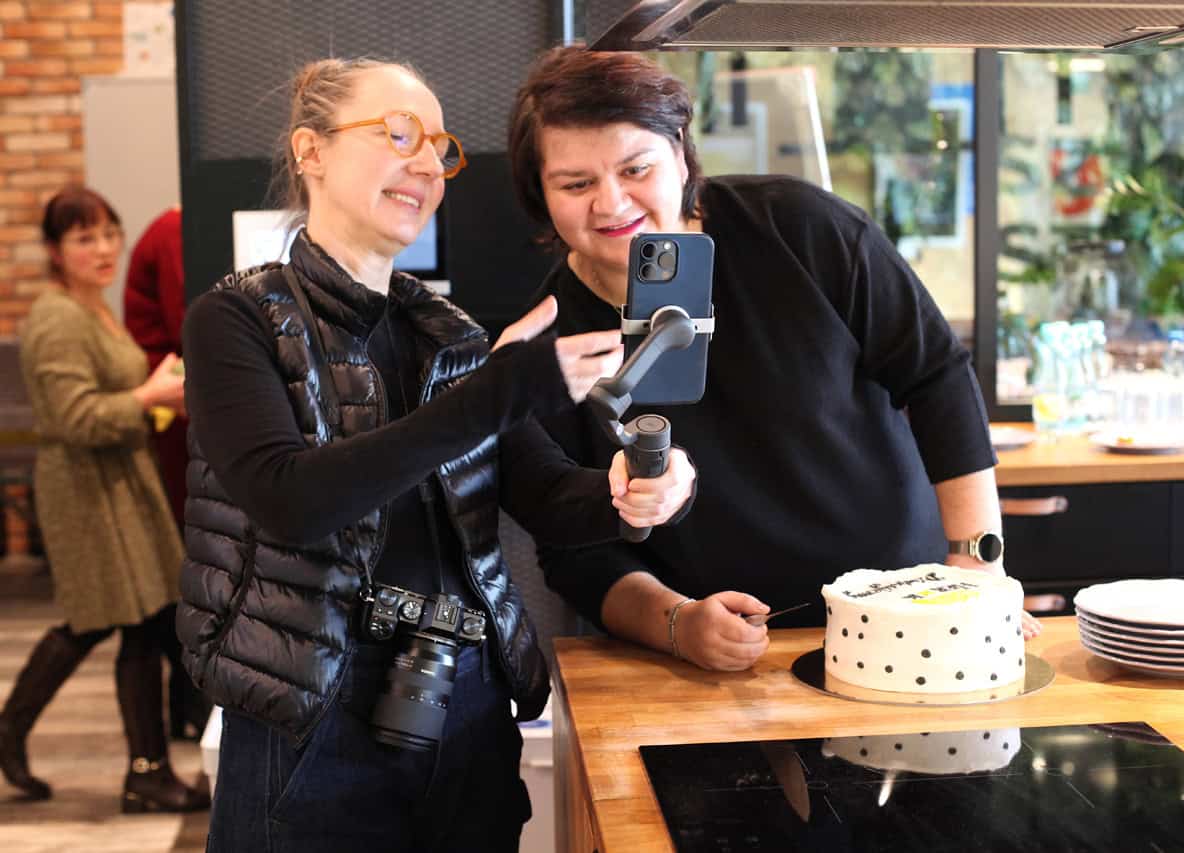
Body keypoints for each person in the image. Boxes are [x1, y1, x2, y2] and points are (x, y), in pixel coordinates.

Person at [176, 58, 695, 852]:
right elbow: (291, 501)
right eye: (398, 135)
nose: (426, 163)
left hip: (464, 705)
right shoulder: (236, 320)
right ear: (311, 151)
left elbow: (549, 495)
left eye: (439, 147)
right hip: (312, 719)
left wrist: (633, 489)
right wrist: (500, 391)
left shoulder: (448, 334)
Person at [505, 46, 1043, 674]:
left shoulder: (800, 226)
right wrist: (677, 625)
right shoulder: (546, 343)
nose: (611, 201)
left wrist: (976, 561)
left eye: (636, 168)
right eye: (576, 184)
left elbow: (936, 375)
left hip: (910, 615)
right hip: (724, 663)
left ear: (679, 154)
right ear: (541, 195)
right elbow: (575, 551)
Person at [0, 187, 209, 813]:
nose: (103, 249)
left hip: (119, 481)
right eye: (84, 238)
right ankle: (141, 771)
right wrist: (150, 397)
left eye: (108, 234)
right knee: (112, 619)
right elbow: (75, 418)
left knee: (131, 618)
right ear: (55, 250)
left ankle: (142, 770)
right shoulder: (58, 318)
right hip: (87, 490)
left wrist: (158, 397)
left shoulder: (91, 307)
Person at [123, 205, 212, 742]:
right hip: (173, 417)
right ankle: (190, 706)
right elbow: (190, 318)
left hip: (173, 415)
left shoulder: (169, 228)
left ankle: (188, 708)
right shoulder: (176, 232)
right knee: (189, 559)